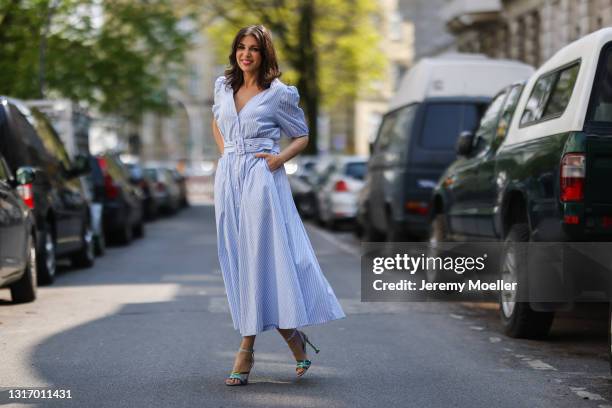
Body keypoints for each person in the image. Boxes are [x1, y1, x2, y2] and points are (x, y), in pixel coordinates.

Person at [211, 25, 346, 386]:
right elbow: (217, 120)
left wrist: (276, 160)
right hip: (228, 181)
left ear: (264, 54)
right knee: (240, 263)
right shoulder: (223, 87)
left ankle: (246, 350)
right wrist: (226, 155)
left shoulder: (278, 95)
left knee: (259, 262)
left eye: (253, 49)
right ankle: (294, 340)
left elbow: (301, 135)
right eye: (241, 47)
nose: (246, 54)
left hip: (260, 179)